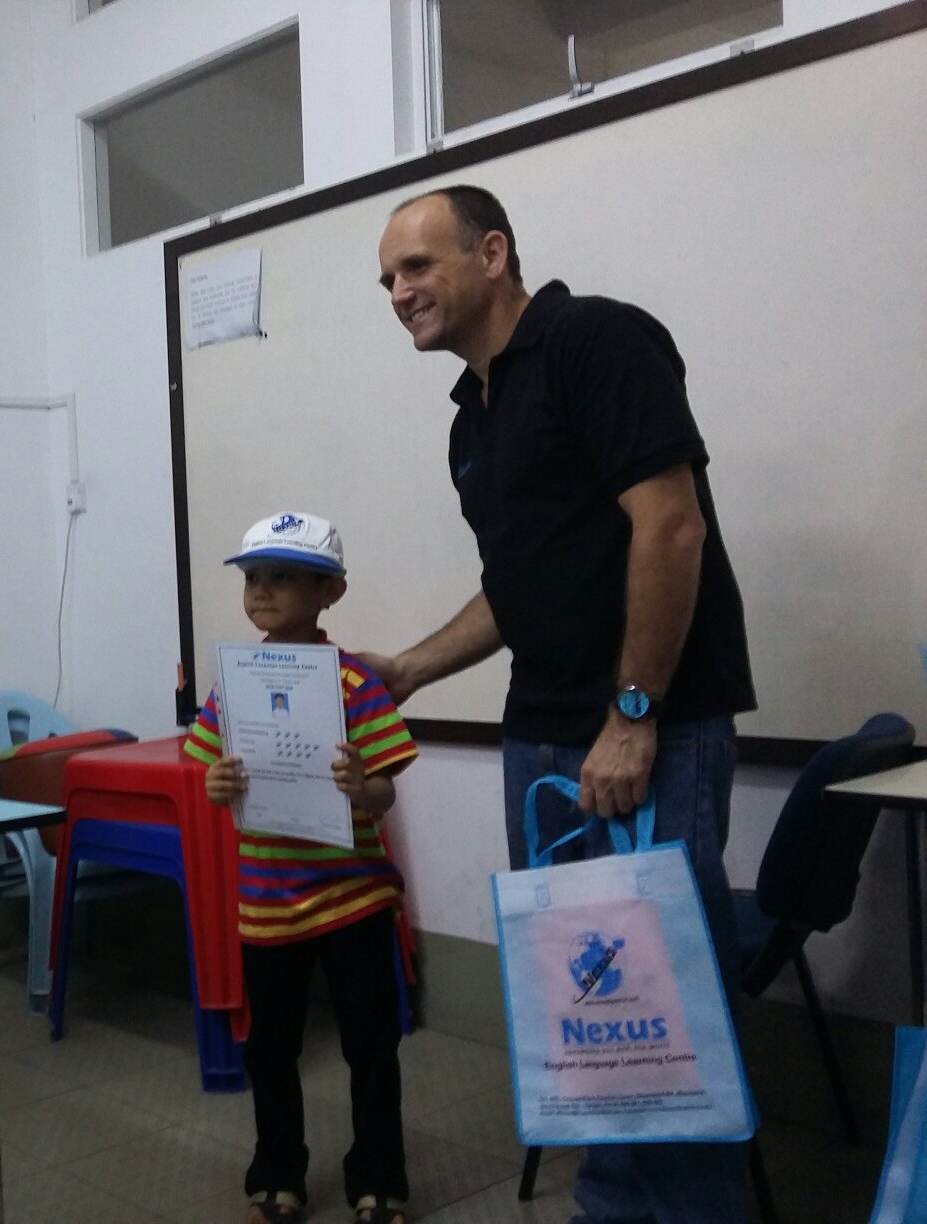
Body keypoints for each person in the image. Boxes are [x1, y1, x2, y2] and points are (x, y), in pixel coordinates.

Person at [374, 185, 756, 1224]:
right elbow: (520, 584)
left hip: (649, 735)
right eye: (388, 279)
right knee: (585, 1012)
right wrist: (410, 668)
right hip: (541, 739)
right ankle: (611, 1205)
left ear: (492, 252)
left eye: (418, 266)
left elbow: (670, 526)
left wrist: (631, 715)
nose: (399, 291)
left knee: (663, 1014)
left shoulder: (597, 340)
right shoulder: (471, 417)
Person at [183, 512, 418, 1224]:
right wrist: (218, 784)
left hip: (352, 899)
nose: (261, 590)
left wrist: (363, 788)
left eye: (282, 576)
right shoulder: (234, 681)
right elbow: (210, 773)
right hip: (267, 902)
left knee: (370, 1047)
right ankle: (279, 1175)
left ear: (329, 592)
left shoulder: (353, 683)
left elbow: (386, 791)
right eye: (253, 577)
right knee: (271, 1050)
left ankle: (378, 1181)